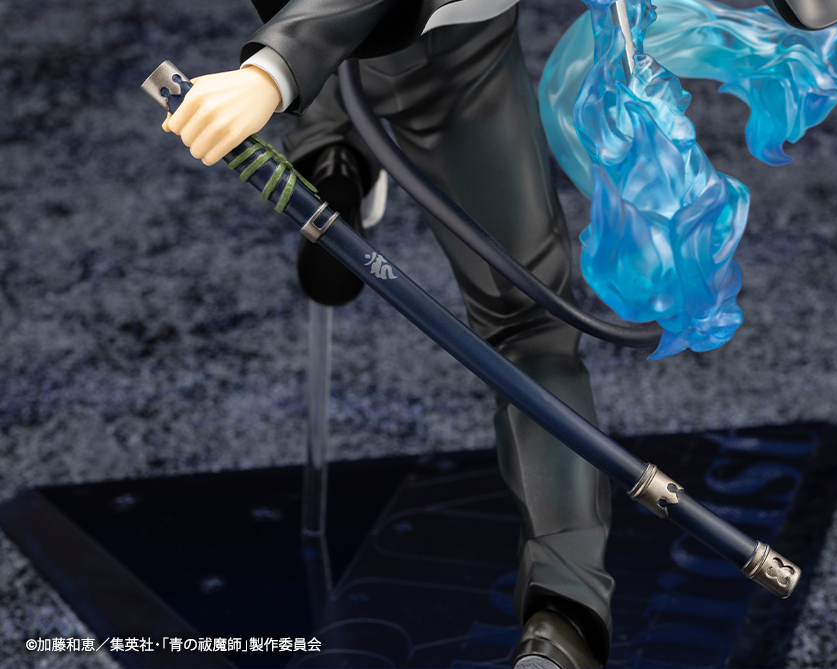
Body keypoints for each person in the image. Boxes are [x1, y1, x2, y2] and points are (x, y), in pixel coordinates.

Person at [162, 2, 613, 667]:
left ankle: (566, 609)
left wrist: (276, 69)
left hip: (417, 52)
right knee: (524, 327)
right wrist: (277, 70)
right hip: (387, 53)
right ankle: (331, 156)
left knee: (526, 323)